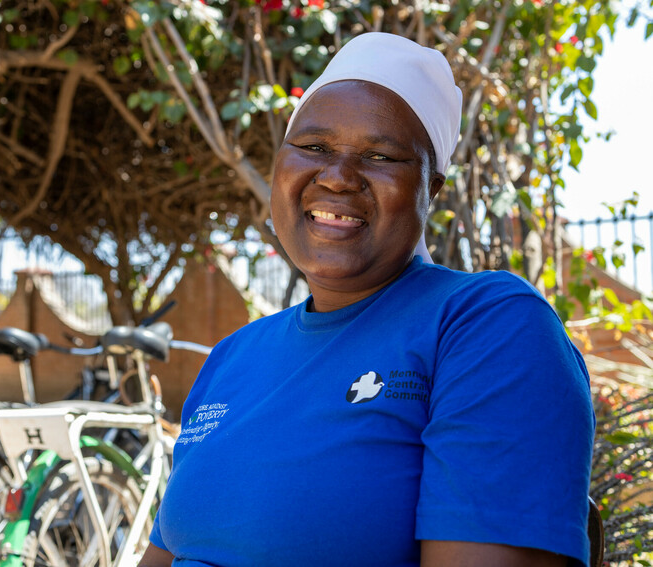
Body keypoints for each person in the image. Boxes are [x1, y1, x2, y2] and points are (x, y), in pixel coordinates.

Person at [139, 32, 594, 567]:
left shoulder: (485, 326)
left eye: (381, 155)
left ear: (432, 189)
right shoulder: (232, 357)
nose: (337, 177)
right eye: (313, 148)